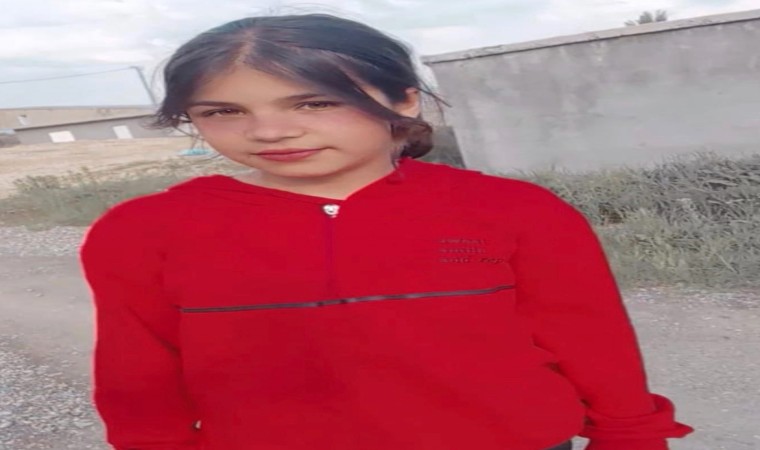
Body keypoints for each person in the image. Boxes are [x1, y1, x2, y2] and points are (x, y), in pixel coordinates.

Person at [80, 13, 693, 450]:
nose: (269, 131)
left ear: (403, 101)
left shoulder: (514, 211)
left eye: (314, 103)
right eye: (224, 112)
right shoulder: (142, 231)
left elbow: (594, 342)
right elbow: (139, 374)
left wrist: (630, 435)